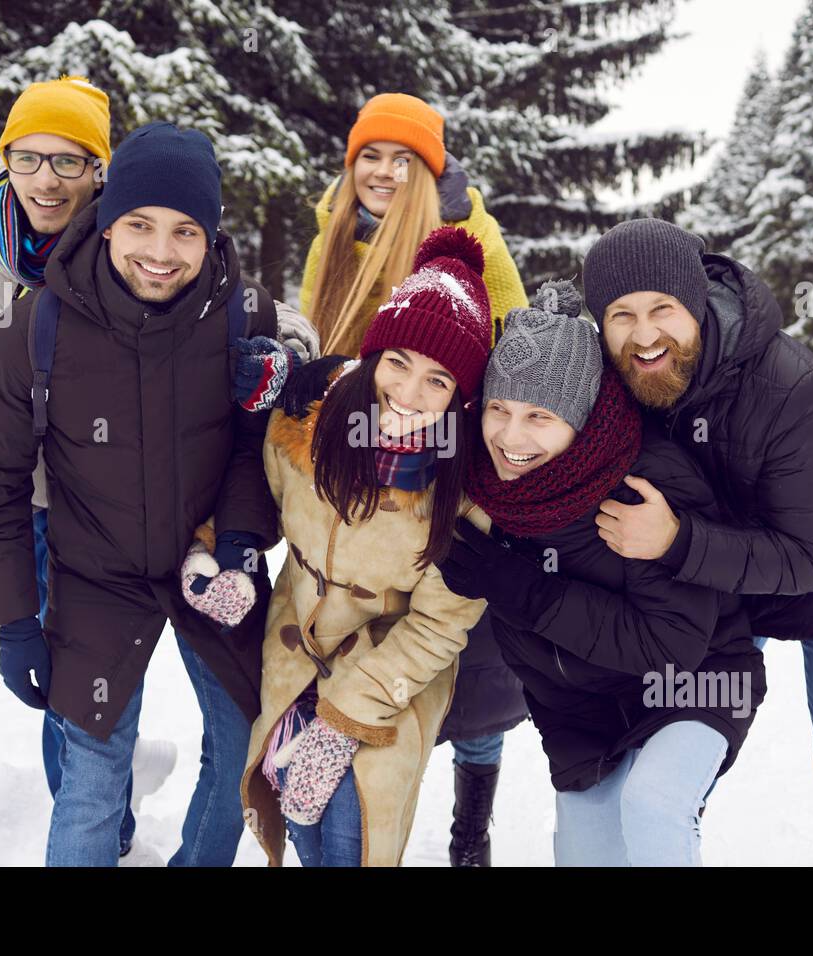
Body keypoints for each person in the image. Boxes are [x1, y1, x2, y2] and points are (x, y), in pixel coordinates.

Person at [0, 122, 279, 866]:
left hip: (210, 571)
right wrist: (14, 619)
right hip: (96, 579)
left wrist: (237, 542)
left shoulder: (243, 316)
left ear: (210, 236)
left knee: (241, 754)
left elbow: (255, 451)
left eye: (184, 231)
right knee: (94, 778)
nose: (160, 253)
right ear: (104, 221)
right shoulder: (33, 332)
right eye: (138, 225)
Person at [583, 218, 813, 866]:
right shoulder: (620, 380)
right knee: (679, 738)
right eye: (621, 315)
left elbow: (811, 556)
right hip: (718, 568)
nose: (644, 335)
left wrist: (675, 543)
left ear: (696, 303)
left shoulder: (788, 384)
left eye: (662, 310)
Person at [437, 280, 764, 865]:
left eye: (540, 416)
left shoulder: (643, 482)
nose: (511, 437)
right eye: (499, 409)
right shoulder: (484, 487)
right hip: (582, 718)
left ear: (582, 416)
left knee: (654, 805)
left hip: (691, 686)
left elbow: (670, 643)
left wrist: (519, 587)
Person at [296, 90, 530, 865]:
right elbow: (317, 348)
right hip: (355, 481)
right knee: (362, 653)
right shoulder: (332, 234)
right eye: (371, 155)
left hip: (451, 477)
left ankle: (471, 825)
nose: (385, 172)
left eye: (406, 159)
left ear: (432, 172)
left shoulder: (474, 240)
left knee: (474, 678)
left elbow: (514, 361)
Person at [240, 227, 492, 866]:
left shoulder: (466, 486)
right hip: (296, 645)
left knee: (353, 835)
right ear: (374, 356)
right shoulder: (307, 423)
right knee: (301, 827)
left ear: (460, 398)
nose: (407, 396)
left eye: (437, 382)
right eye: (399, 363)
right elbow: (252, 500)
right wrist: (221, 547)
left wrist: (343, 716)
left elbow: (440, 626)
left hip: (392, 671)